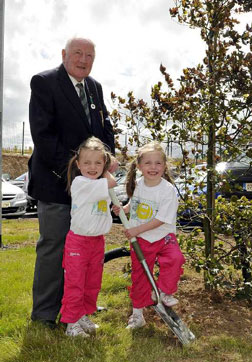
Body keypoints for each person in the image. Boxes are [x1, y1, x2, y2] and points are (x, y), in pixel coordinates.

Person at [28, 37, 117, 328]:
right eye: (77, 53)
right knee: (54, 247)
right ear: (64, 54)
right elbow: (44, 136)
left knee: (86, 251)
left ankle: (77, 309)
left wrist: (106, 159)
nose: (83, 59)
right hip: (56, 184)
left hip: (90, 184)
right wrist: (77, 173)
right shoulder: (44, 82)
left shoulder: (95, 87)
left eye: (89, 55)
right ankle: (44, 314)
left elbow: (105, 129)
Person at [113, 142, 185, 329]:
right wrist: (122, 209)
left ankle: (163, 292)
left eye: (158, 163)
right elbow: (134, 204)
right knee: (141, 276)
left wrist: (136, 230)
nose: (153, 167)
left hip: (163, 237)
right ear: (139, 166)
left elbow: (162, 219)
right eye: (148, 163)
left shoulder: (167, 190)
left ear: (164, 166)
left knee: (175, 259)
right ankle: (137, 315)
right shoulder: (138, 185)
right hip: (142, 241)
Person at [60, 137, 116, 337]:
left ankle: (82, 314)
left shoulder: (100, 184)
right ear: (78, 165)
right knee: (75, 283)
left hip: (97, 241)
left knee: (92, 283)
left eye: (98, 163)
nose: (92, 167)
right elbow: (112, 181)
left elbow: (103, 204)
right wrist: (108, 167)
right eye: (87, 163)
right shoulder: (81, 182)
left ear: (103, 164)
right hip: (79, 242)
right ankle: (71, 323)